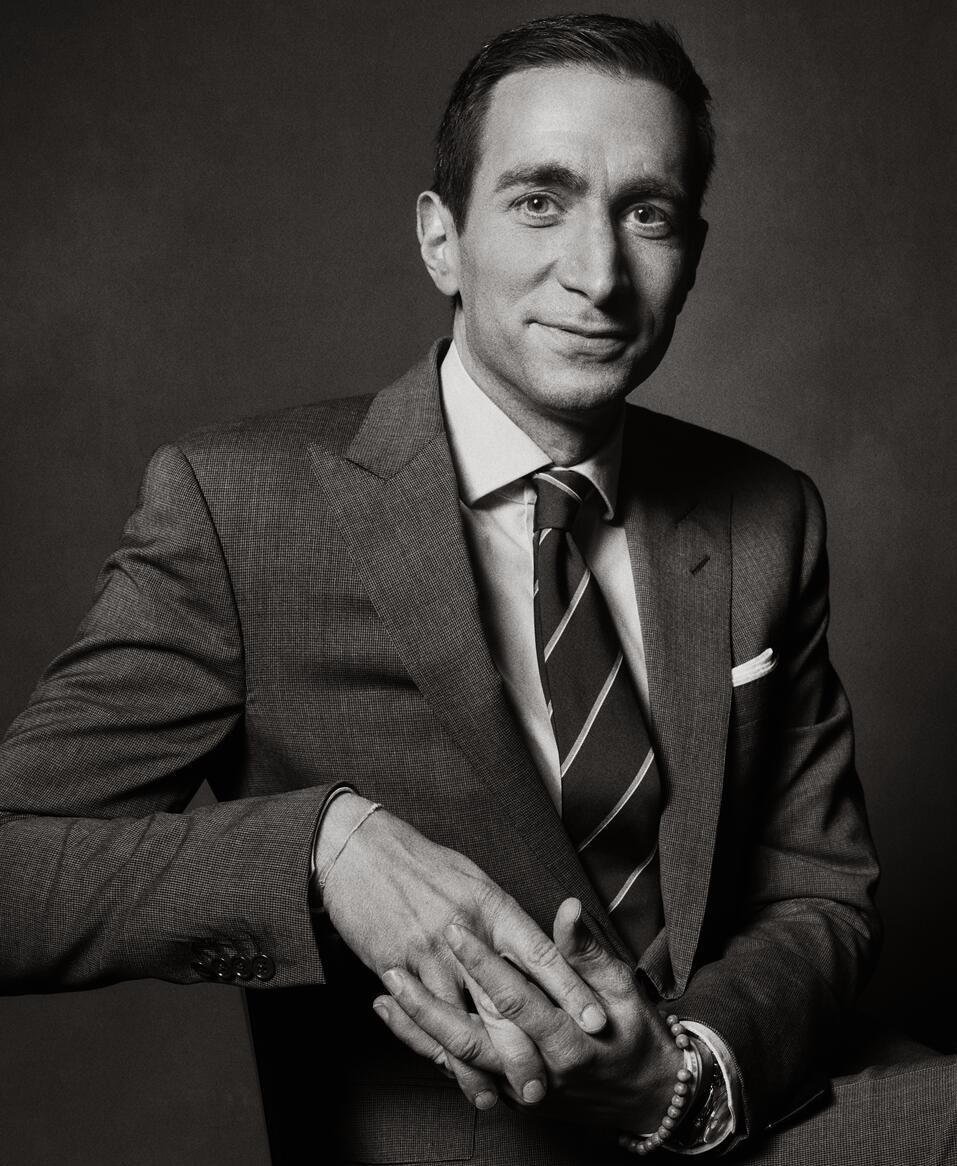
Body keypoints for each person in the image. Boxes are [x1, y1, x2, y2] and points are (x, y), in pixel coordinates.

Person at [0, 13, 953, 1165]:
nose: (598, 274)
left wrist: (691, 1069)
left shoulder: (766, 514)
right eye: (539, 202)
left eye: (645, 213)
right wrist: (320, 849)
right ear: (440, 239)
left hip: (750, 1119)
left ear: (693, 249)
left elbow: (821, 896)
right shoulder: (240, 512)